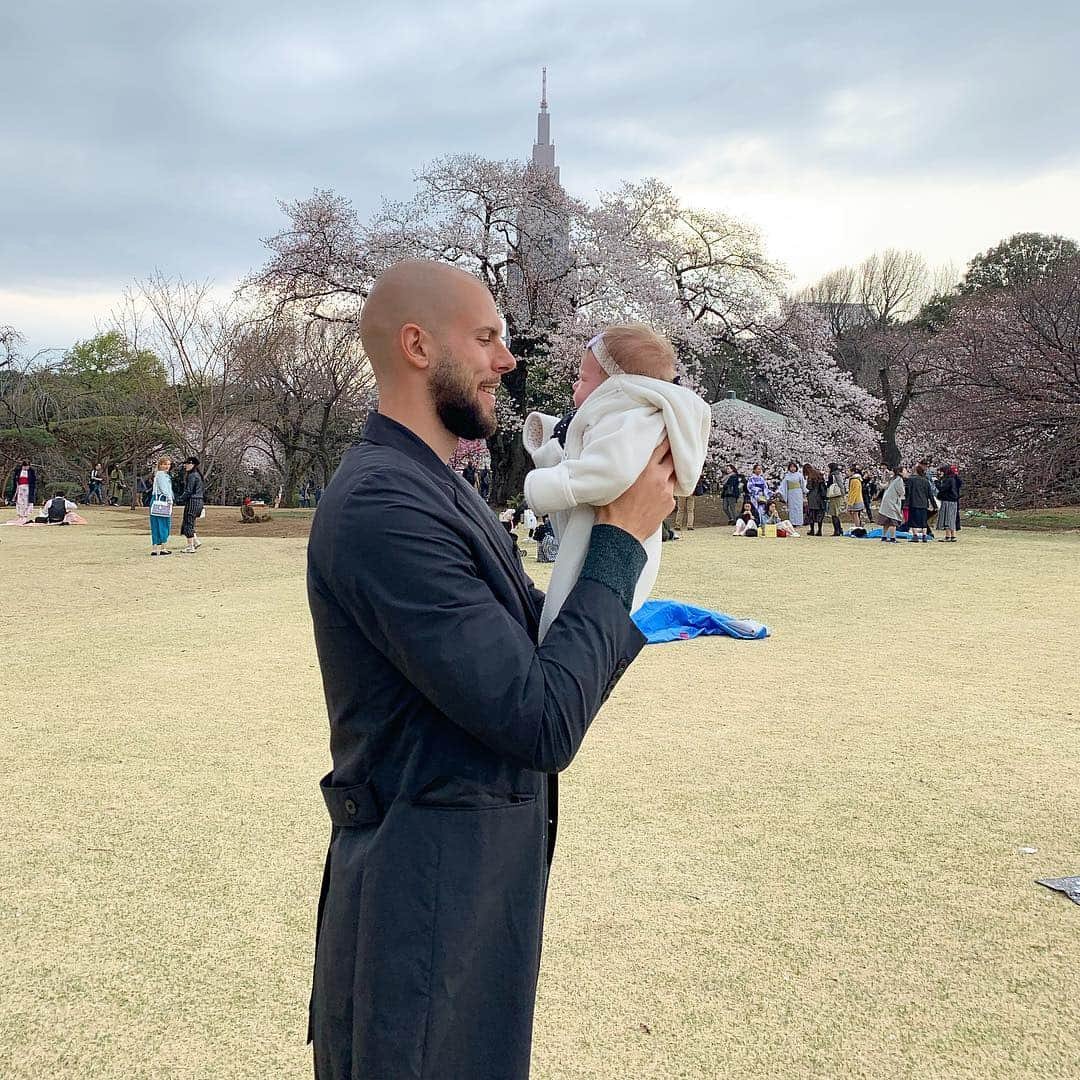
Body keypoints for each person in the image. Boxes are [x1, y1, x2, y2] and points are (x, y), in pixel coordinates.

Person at [305, 261, 675, 1080]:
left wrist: (625, 585)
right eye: (486, 338)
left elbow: (541, 669)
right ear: (415, 345)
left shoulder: (445, 487)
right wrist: (618, 541)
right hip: (420, 914)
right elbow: (537, 715)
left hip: (471, 900)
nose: (507, 359)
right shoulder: (383, 506)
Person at [521, 324, 710, 641]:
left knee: (566, 606)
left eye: (582, 379)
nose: (574, 384)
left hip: (608, 532)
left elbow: (610, 470)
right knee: (569, 604)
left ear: (620, 386)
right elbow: (588, 451)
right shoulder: (629, 417)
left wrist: (545, 486)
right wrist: (555, 440)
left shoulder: (631, 419)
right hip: (609, 523)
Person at [176, 456, 205, 554]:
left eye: (187, 464)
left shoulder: (192, 476)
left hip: (193, 501)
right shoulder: (198, 475)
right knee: (189, 523)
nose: (185, 466)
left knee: (188, 523)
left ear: (193, 464)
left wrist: (179, 499)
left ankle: (190, 546)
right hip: (199, 501)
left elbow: (188, 491)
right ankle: (196, 541)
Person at [149, 457, 174, 555]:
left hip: (155, 501)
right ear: (160, 465)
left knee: (155, 524)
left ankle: (155, 548)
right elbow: (164, 489)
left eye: (168, 464)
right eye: (165, 464)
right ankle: (163, 547)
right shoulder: (162, 475)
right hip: (162, 500)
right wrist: (169, 499)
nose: (167, 466)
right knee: (164, 523)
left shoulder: (157, 475)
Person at [877, 465, 907, 542]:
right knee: (893, 521)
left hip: (886, 500)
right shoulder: (899, 480)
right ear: (900, 472)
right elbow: (901, 492)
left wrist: (879, 484)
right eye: (904, 471)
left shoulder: (892, 479)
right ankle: (893, 538)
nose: (906, 472)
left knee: (886, 521)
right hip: (892, 502)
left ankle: (884, 537)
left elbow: (885, 486)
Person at [905, 463, 934, 542]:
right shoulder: (926, 481)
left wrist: (906, 502)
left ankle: (915, 536)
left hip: (913, 503)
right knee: (923, 520)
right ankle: (924, 536)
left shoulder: (911, 479)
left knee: (913, 520)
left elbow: (908, 491)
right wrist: (934, 504)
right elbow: (930, 494)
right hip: (924, 503)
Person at [776, 461, 807, 528]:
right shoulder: (787, 476)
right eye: (791, 467)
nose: (792, 468)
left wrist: (805, 490)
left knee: (798, 507)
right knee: (792, 507)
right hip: (791, 493)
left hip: (798, 492)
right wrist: (779, 491)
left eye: (794, 467)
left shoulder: (799, 475)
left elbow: (803, 484)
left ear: (796, 468)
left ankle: (799, 522)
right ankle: (793, 522)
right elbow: (783, 486)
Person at [936, 464, 961, 542]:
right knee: (952, 518)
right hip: (953, 501)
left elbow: (942, 488)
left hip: (948, 501)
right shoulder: (953, 479)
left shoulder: (948, 480)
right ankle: (953, 535)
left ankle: (948, 536)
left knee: (948, 518)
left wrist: (936, 482)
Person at [803, 465, 827, 535]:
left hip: (812, 498)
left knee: (811, 515)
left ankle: (812, 530)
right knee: (820, 515)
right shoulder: (820, 475)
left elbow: (809, 487)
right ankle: (819, 530)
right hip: (820, 498)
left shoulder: (810, 477)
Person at [826, 463, 846, 536]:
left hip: (834, 495)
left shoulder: (832, 475)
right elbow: (841, 485)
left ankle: (836, 530)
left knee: (834, 514)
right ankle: (839, 529)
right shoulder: (839, 474)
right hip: (839, 495)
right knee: (836, 513)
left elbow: (829, 485)